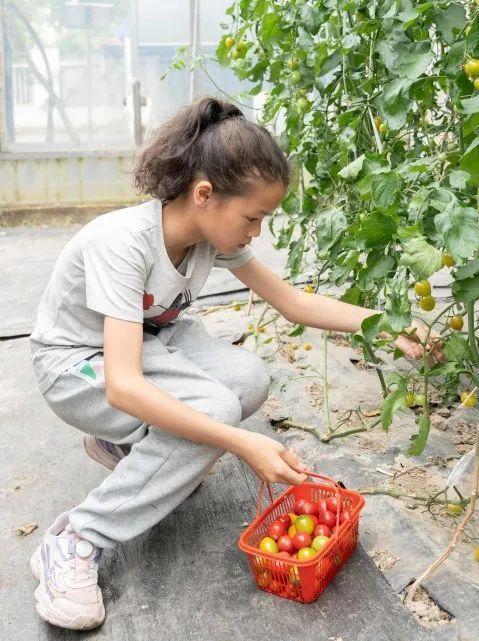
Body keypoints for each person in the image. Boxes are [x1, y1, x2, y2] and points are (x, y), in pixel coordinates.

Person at [29, 96, 444, 630]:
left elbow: (293, 302)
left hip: (149, 342)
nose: (257, 231)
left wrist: (386, 324)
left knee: (246, 380)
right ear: (204, 194)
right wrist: (242, 443)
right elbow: (124, 387)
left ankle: (126, 445)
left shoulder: (206, 236)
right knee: (217, 412)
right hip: (76, 366)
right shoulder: (123, 244)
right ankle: (77, 539)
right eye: (253, 217)